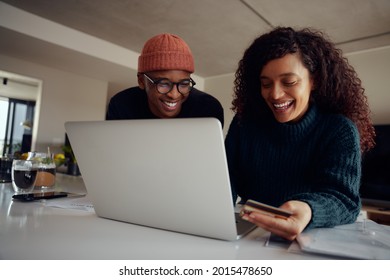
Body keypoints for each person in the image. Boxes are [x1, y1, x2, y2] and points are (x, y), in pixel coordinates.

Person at [225, 27, 375, 241]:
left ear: (314, 81)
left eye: (289, 82)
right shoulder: (244, 125)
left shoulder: (338, 130)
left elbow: (344, 200)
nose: (275, 94)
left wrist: (309, 209)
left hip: (309, 238)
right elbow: (226, 179)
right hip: (250, 234)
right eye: (266, 83)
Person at [106, 33, 224, 127]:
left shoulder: (207, 108)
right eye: (163, 83)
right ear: (142, 81)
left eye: (184, 84)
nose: (174, 94)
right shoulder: (121, 105)